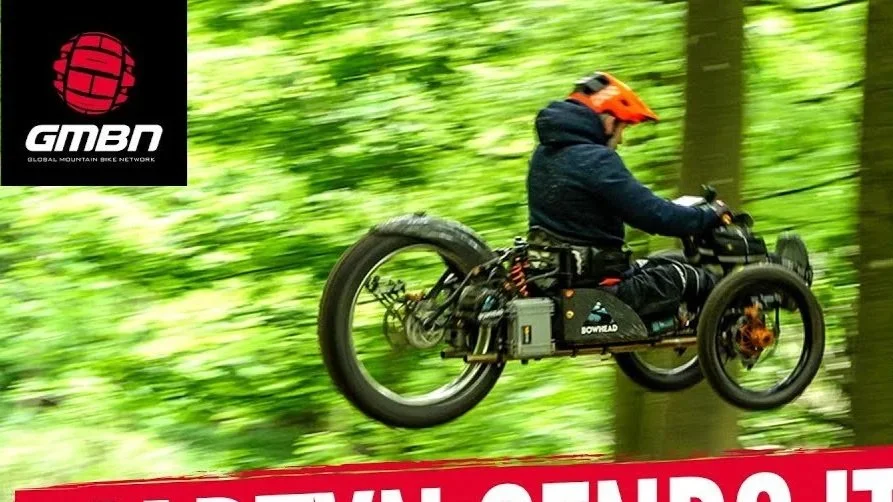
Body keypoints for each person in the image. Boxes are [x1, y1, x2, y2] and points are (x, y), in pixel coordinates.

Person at [526, 71, 810, 327]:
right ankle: (778, 288)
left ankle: (771, 282)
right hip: (601, 295)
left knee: (669, 260)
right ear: (610, 120)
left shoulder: (543, 157)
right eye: (623, 129)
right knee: (701, 279)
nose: (620, 140)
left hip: (558, 285)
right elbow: (654, 215)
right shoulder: (595, 160)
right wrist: (709, 214)